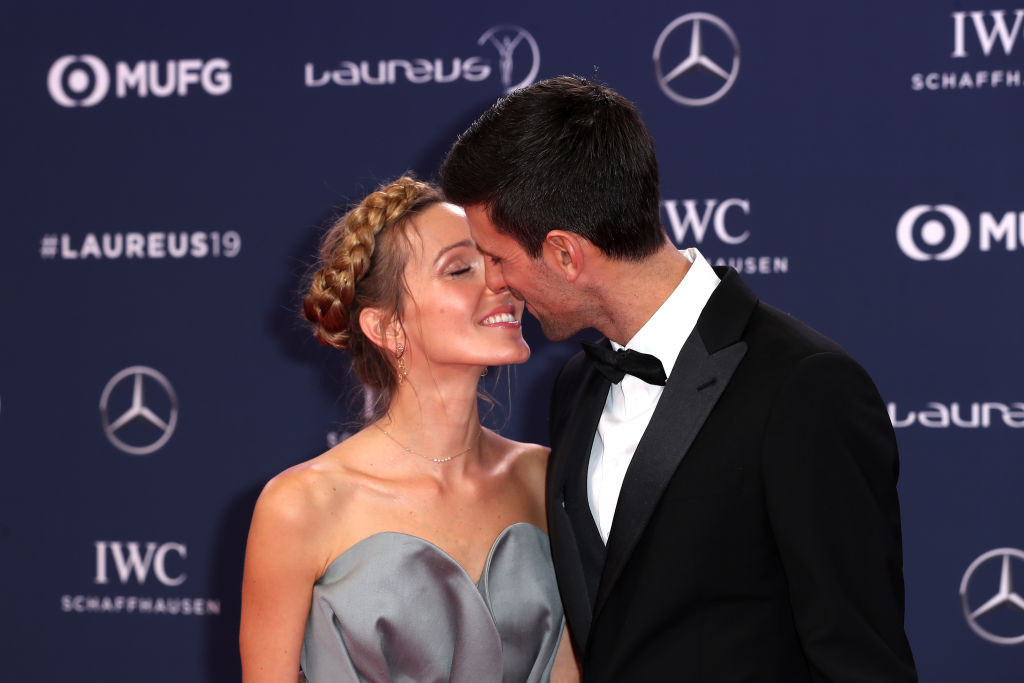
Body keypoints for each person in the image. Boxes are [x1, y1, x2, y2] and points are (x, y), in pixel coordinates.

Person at [440, 76, 918, 681]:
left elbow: (862, 662)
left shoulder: (804, 387)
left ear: (565, 254)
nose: (493, 282)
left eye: (497, 257)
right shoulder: (577, 386)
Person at [239, 176, 579, 683]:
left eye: (495, 261)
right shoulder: (300, 505)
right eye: (460, 269)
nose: (500, 283)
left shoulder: (549, 477)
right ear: (387, 327)